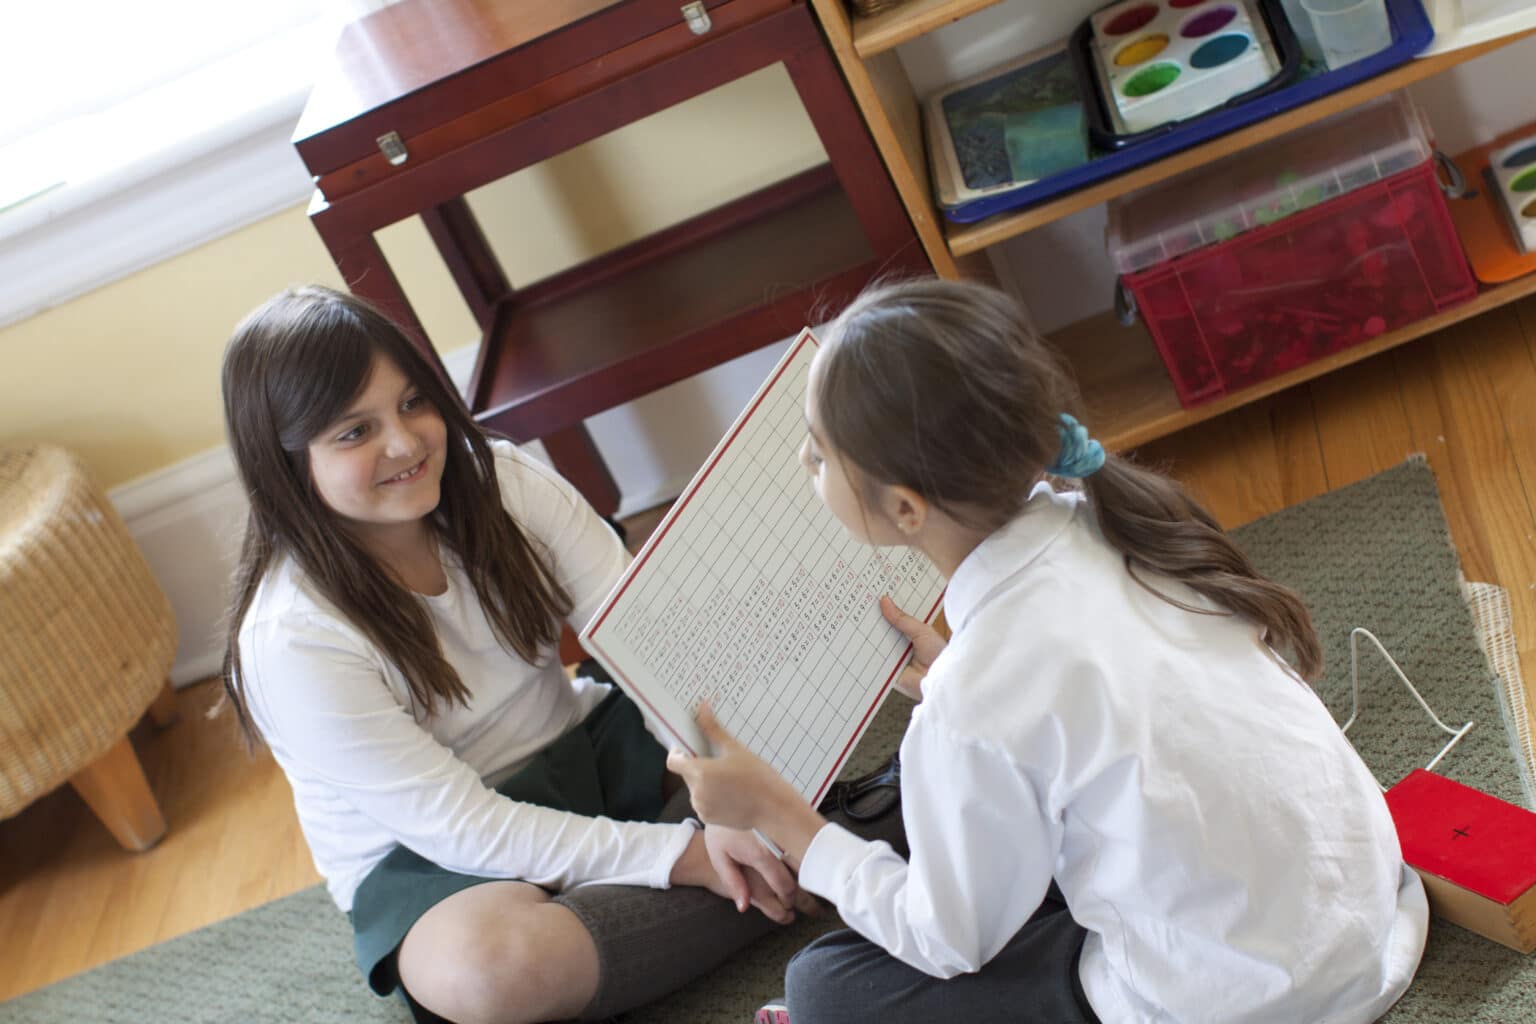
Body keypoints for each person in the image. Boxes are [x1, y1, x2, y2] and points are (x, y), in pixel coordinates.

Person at [667, 277, 1429, 1024]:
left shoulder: (981, 690)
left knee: (826, 986)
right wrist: (955, 698)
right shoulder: (1113, 523)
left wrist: (784, 815)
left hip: (1245, 1000)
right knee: (995, 849)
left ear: (904, 508)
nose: (806, 466)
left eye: (818, 453)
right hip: (1363, 913)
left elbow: (945, 940)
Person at [218, 286, 824, 1024]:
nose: (405, 443)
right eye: (355, 432)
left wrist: (720, 796)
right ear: (285, 466)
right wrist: (686, 854)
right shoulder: (290, 638)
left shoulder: (502, 481)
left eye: (414, 403)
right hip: (436, 863)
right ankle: (816, 859)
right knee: (487, 975)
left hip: (579, 749)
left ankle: (739, 879)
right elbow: (463, 826)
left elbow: (650, 636)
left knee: (771, 682)